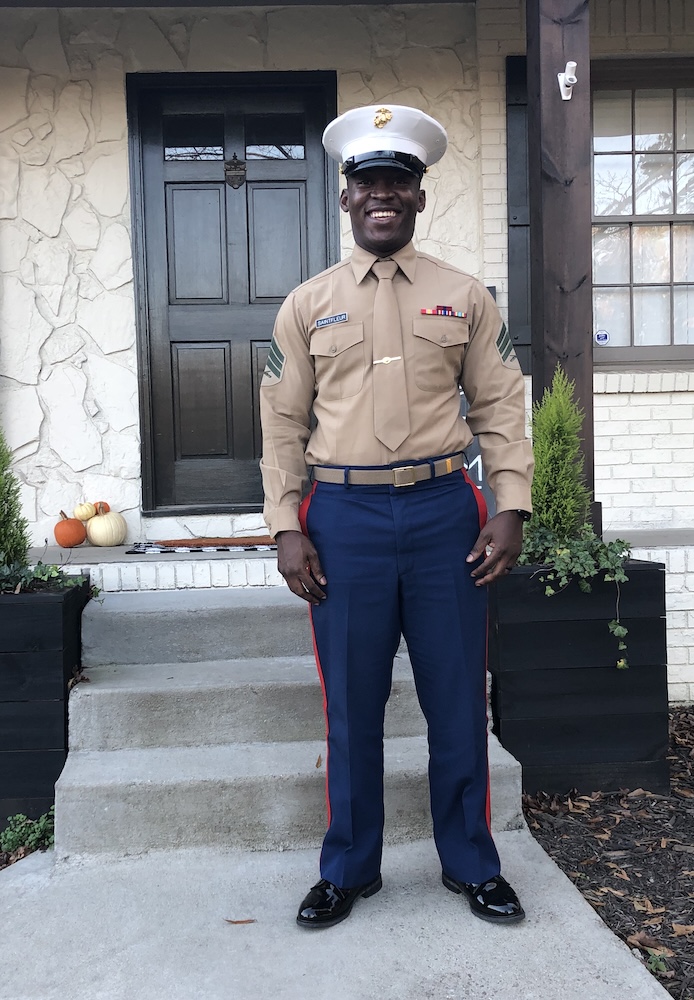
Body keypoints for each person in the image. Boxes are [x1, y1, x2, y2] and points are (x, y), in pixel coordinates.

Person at [260, 104, 534, 930]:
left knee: (457, 701)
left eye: (398, 182)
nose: (383, 195)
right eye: (367, 182)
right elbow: (281, 423)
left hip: (448, 512)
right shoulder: (308, 305)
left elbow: (500, 405)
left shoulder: (465, 297)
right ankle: (349, 869)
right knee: (353, 707)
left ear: (419, 196)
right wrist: (286, 526)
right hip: (342, 518)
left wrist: (511, 504)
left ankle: (471, 864)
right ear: (345, 198)